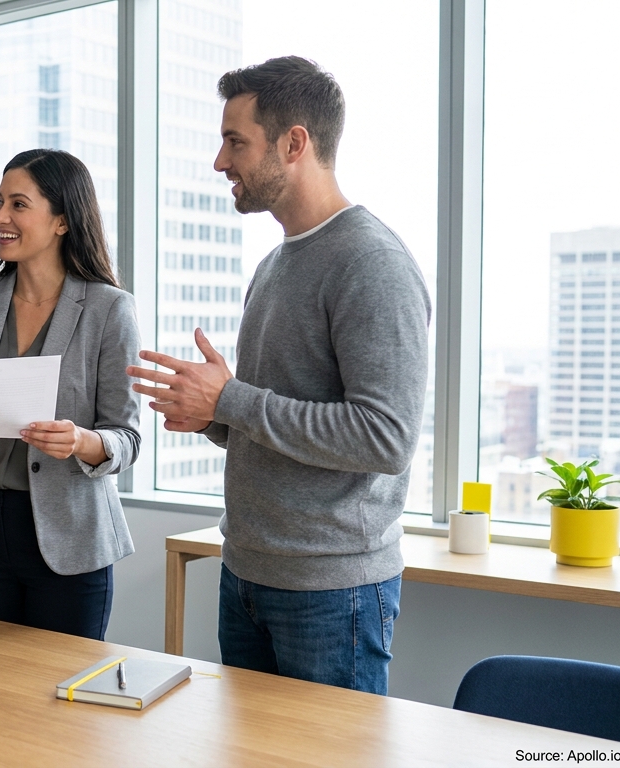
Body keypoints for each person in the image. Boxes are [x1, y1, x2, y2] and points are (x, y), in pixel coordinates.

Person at [128, 56, 432, 694]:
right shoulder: (271, 267)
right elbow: (271, 416)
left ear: (294, 143)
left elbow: (385, 437)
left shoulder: (372, 263)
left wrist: (232, 397)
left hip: (332, 594)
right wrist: (215, 416)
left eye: (235, 141)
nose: (220, 162)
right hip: (247, 575)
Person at [0, 149, 141, 640]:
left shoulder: (110, 309)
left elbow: (127, 437)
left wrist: (80, 441)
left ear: (62, 220)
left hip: (70, 534)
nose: (0, 216)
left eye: (18, 204)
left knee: (62, 698)